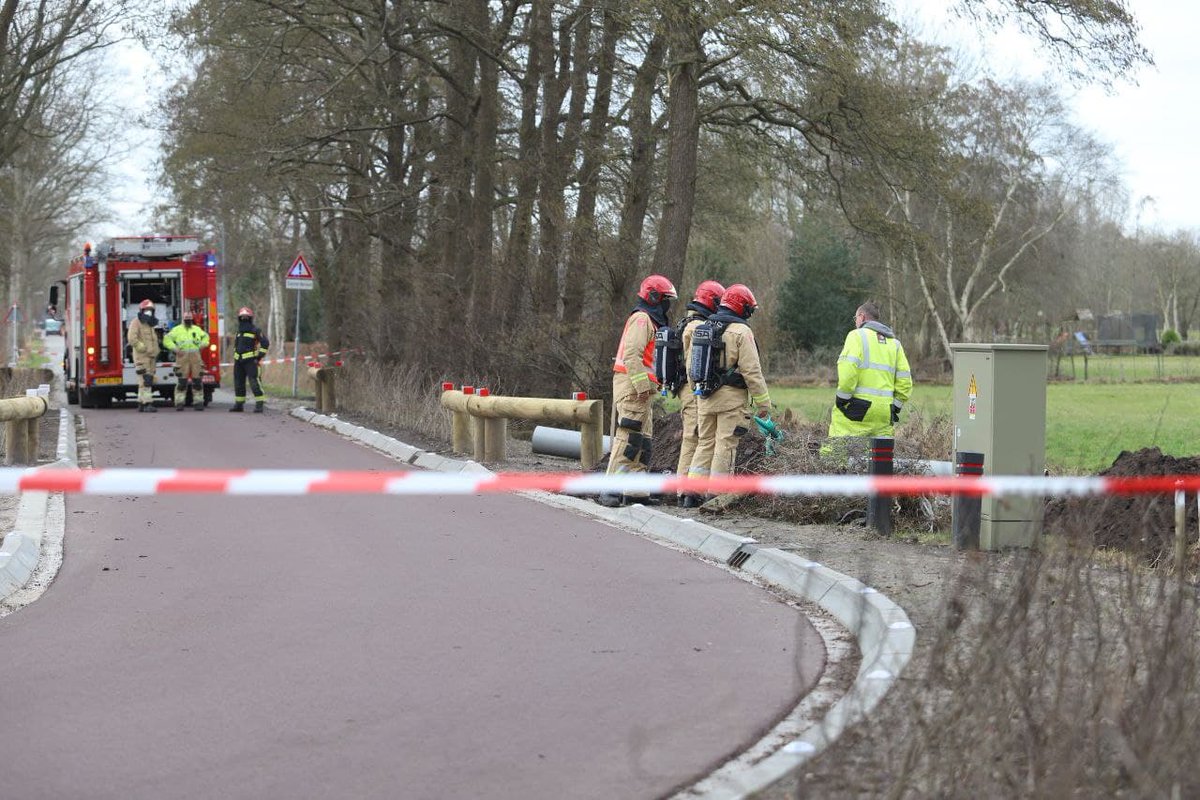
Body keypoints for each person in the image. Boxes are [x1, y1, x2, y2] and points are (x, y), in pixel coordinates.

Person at [597, 274, 677, 508]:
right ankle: (610, 490)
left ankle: (635, 491)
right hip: (634, 388)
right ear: (654, 298)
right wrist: (643, 385)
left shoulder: (649, 321)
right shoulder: (642, 319)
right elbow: (632, 355)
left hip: (642, 391)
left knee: (643, 442)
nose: (667, 305)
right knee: (629, 439)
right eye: (665, 299)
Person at [686, 284, 771, 494]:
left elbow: (691, 366)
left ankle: (690, 494)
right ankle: (716, 494)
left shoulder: (703, 327)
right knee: (725, 445)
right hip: (731, 401)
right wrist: (763, 403)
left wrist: (695, 392)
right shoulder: (742, 331)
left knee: (705, 443)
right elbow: (752, 371)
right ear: (741, 306)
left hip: (704, 396)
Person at [827, 301, 913, 444]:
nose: (855, 322)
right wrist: (895, 406)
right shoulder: (895, 344)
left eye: (855, 319)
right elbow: (905, 382)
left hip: (857, 408)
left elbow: (848, 372)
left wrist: (842, 400)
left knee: (838, 451)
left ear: (861, 317)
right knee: (880, 456)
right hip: (885, 411)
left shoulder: (856, 336)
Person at [675, 280, 725, 506]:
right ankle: (685, 492)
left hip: (686, 388)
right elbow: (695, 364)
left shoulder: (687, 321)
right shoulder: (697, 327)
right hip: (692, 390)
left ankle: (684, 490)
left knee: (695, 438)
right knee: (694, 438)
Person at [163, 311, 211, 411]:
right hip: (182, 358)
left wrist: (203, 344)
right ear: (183, 319)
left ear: (192, 318)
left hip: (196, 358)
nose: (188, 319)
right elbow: (166, 340)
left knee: (197, 381)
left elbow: (206, 337)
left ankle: (198, 403)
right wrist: (175, 349)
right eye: (186, 317)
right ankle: (179, 403)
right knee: (182, 382)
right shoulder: (177, 330)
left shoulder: (197, 329)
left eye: (189, 317)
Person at [229, 306, 269, 413]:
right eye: (242, 317)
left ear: (250, 318)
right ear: (239, 318)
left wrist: (259, 356)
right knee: (238, 383)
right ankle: (239, 404)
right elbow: (237, 345)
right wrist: (235, 355)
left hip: (251, 361)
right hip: (238, 362)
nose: (244, 319)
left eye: (246, 317)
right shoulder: (239, 331)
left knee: (254, 383)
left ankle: (259, 404)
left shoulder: (255, 330)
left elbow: (265, 342)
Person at [127, 299, 161, 413]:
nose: (149, 312)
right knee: (146, 380)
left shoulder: (150, 324)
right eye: (147, 310)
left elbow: (153, 340)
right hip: (142, 357)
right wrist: (142, 348)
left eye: (151, 310)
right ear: (142, 310)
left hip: (151, 357)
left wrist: (156, 351)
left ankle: (141, 403)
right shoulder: (136, 322)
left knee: (147, 380)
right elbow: (132, 338)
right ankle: (147, 403)